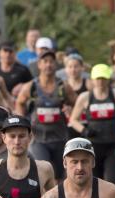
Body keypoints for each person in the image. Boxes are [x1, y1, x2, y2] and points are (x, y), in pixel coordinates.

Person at [17, 48, 76, 181]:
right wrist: (24, 123)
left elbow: (78, 104)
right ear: (39, 64)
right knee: (43, 173)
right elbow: (20, 103)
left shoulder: (63, 86)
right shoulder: (31, 86)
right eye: (45, 61)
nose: (48, 64)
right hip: (38, 139)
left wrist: (71, 112)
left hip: (60, 138)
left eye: (51, 61)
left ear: (55, 65)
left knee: (61, 176)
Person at [69, 64, 115, 186]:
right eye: (98, 78)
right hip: (93, 146)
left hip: (113, 145)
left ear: (108, 79)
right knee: (94, 184)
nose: (100, 82)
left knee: (113, 182)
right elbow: (73, 120)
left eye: (103, 78)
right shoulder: (85, 97)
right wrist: (84, 131)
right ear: (92, 80)